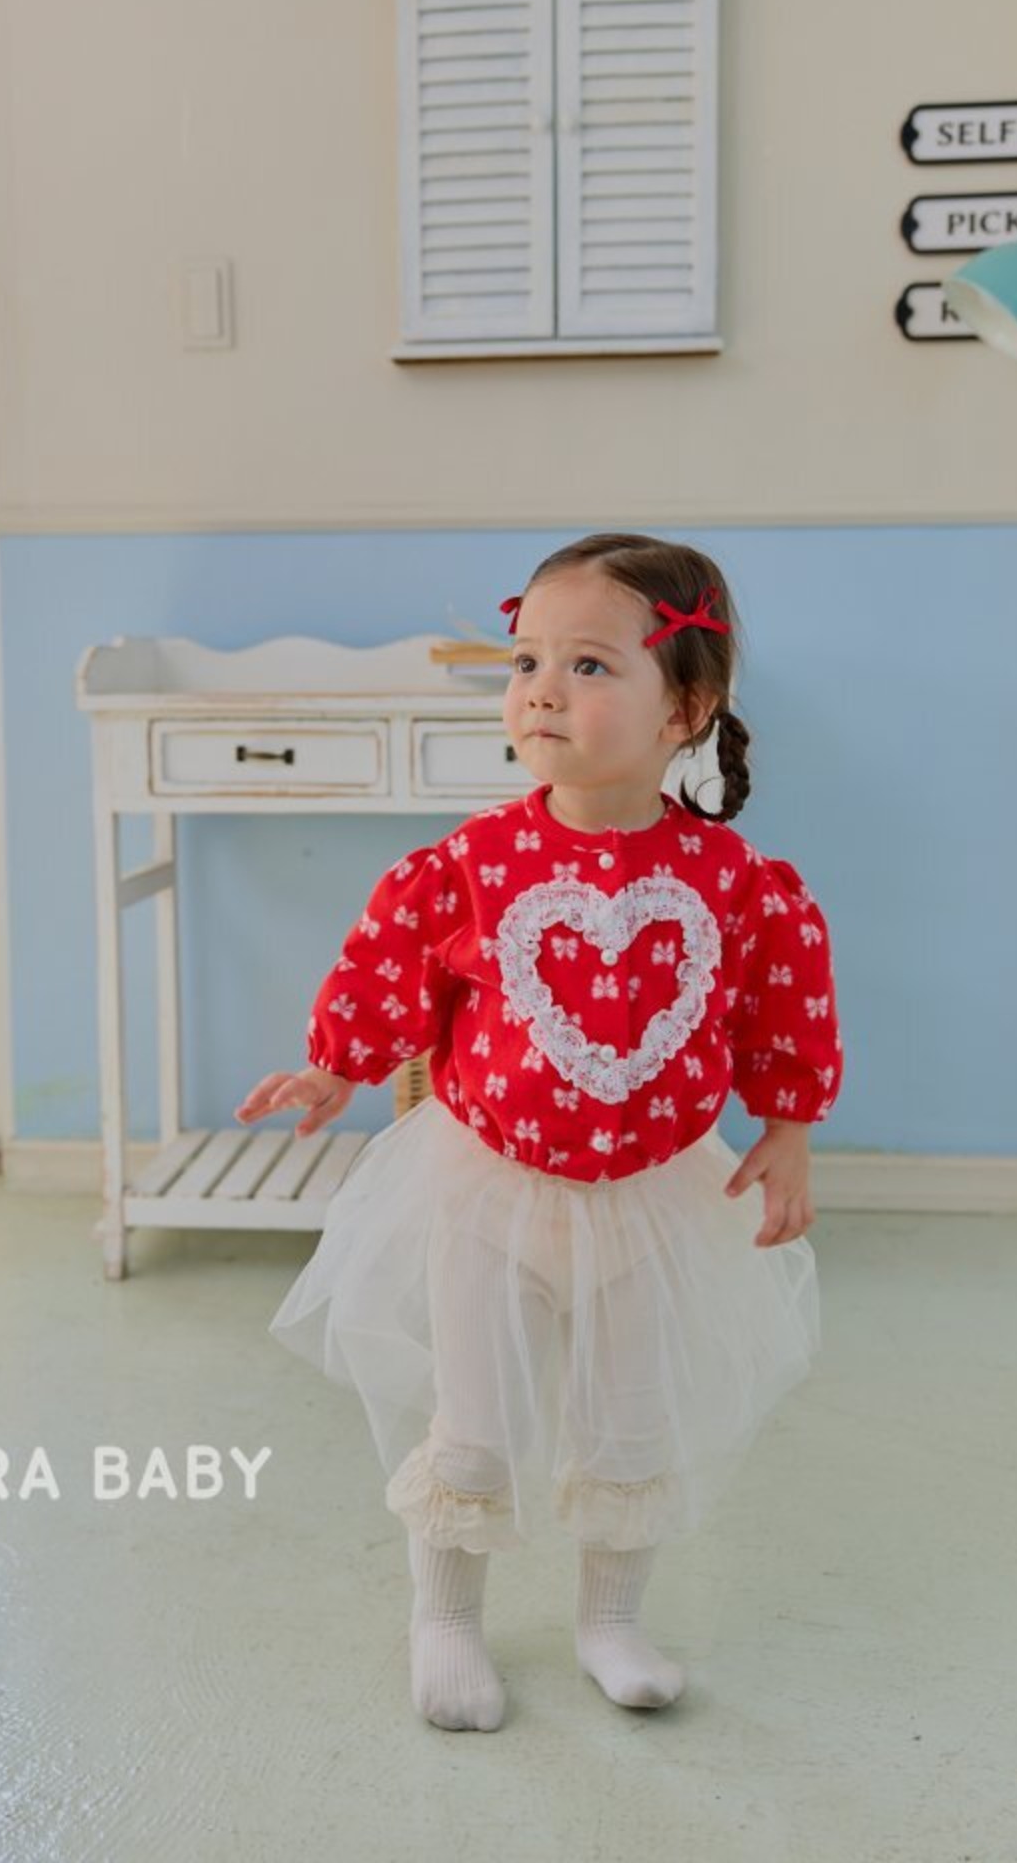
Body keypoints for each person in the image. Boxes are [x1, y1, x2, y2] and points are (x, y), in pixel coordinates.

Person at [237, 533, 844, 1734]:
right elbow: (391, 971)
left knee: (630, 1421)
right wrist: (334, 1063)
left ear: (686, 709)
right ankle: (445, 1621)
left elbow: (780, 1004)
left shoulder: (733, 879)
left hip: (657, 1200)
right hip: (487, 1191)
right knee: (475, 1425)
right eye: (526, 662)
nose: (542, 692)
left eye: (588, 665)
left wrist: (787, 1127)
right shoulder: (471, 864)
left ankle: (609, 1621)